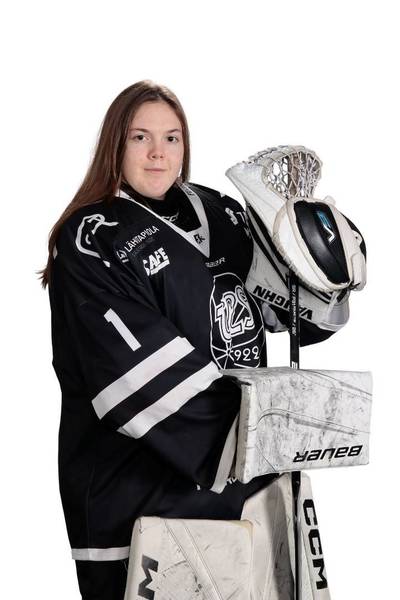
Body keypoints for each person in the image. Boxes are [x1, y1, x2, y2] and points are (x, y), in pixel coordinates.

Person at [41, 80, 339, 599]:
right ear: (115, 144)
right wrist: (265, 432)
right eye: (140, 137)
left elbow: (290, 316)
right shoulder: (92, 238)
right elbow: (132, 379)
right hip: (139, 496)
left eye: (172, 137)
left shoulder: (219, 213)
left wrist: (325, 270)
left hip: (248, 490)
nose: (158, 152)